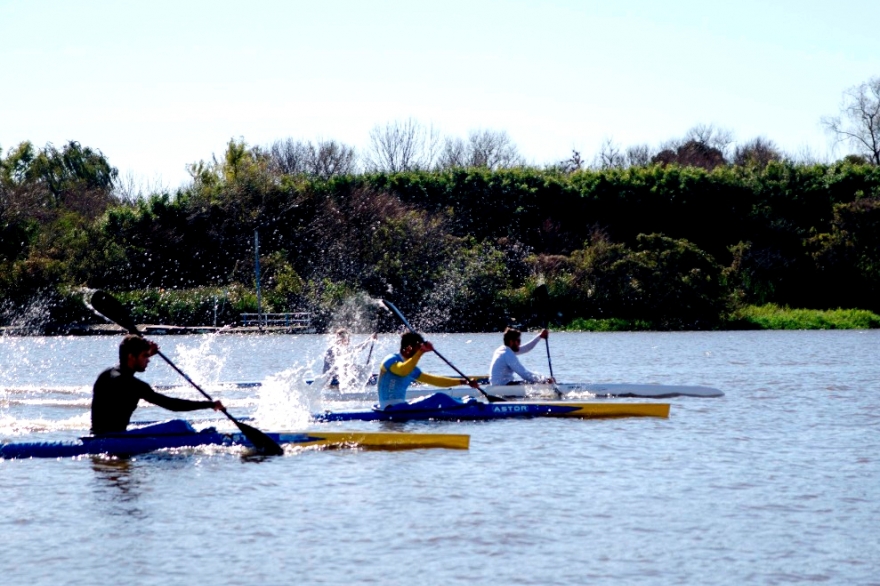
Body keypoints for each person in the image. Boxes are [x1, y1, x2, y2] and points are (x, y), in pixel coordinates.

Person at [91, 334, 223, 435]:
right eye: (145, 356)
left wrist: (147, 351)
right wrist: (209, 404)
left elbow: (125, 373)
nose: (148, 360)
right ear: (131, 357)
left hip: (96, 436)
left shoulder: (105, 375)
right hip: (115, 440)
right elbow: (172, 405)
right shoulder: (134, 385)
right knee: (179, 426)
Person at [377, 332, 478, 408]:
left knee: (447, 397)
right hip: (389, 408)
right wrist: (421, 352)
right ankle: (467, 407)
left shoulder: (412, 368)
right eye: (418, 348)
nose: (420, 352)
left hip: (401, 407)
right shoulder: (390, 360)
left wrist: (463, 382)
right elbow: (402, 370)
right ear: (408, 348)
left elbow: (435, 381)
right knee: (439, 398)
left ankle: (466, 403)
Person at [489, 327, 554, 386]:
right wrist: (544, 380)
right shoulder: (507, 354)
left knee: (532, 382)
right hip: (502, 386)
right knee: (531, 383)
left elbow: (526, 348)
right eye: (518, 341)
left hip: (497, 384)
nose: (519, 343)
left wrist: (540, 336)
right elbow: (524, 374)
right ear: (511, 342)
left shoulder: (502, 349)